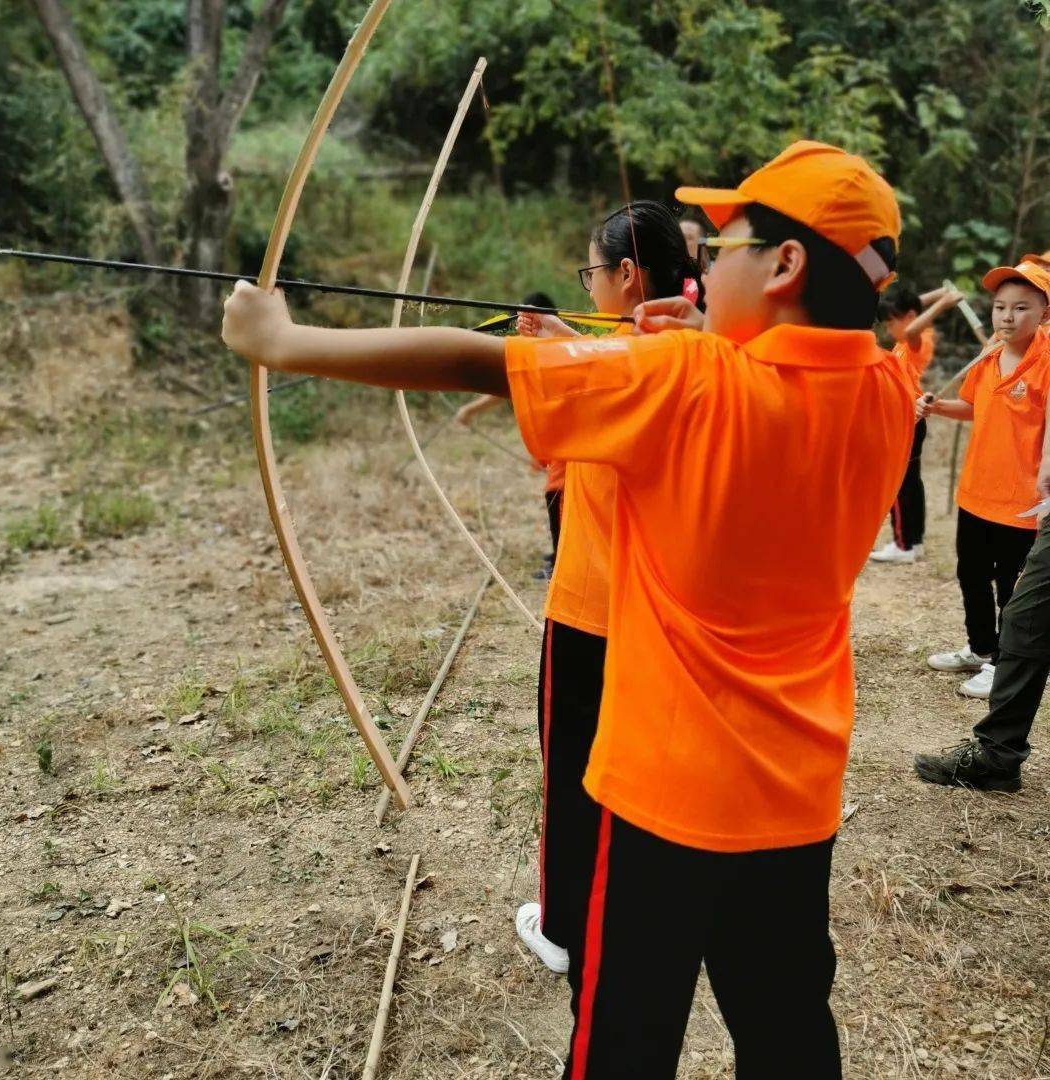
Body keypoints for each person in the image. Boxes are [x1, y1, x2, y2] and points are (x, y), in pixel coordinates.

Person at [222, 140, 913, 1080]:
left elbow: (482, 363)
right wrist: (685, 337)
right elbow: (802, 374)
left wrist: (284, 343)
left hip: (665, 798)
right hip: (796, 795)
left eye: (725, 249)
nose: (705, 268)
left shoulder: (685, 383)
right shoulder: (887, 391)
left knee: (622, 1036)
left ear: (785, 266)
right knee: (788, 1025)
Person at [511, 201, 700, 976]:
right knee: (633, 765)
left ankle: (562, 927)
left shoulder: (619, 364)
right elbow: (615, 362)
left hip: (589, 606)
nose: (585, 284)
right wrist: (569, 340)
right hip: (656, 611)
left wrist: (287, 343)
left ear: (626, 275)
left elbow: (478, 369)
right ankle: (631, 905)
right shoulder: (688, 357)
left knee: (572, 767)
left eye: (591, 271)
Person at [914, 255, 1050, 790]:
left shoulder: (1044, 363)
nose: (1007, 317)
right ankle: (979, 647)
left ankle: (999, 658)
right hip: (977, 493)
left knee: (1011, 590)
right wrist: (938, 408)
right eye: (999, 307)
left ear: (1044, 313)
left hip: (1023, 503)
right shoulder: (989, 356)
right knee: (970, 572)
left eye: (1022, 307)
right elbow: (974, 408)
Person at [453, 291, 563, 579]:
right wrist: (470, 411)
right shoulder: (530, 348)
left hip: (565, 446)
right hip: (549, 443)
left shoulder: (556, 349)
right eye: (521, 315)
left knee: (557, 498)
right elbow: (505, 388)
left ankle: (561, 564)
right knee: (558, 500)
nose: (524, 321)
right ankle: (560, 555)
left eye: (531, 316)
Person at [870, 283, 964, 564]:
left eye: (891, 322)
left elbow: (910, 325)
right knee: (910, 482)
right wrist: (940, 294)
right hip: (910, 417)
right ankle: (914, 542)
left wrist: (944, 304)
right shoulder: (905, 338)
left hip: (909, 417)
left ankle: (903, 544)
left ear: (909, 318)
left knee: (900, 483)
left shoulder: (916, 339)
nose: (888, 329)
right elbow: (912, 309)